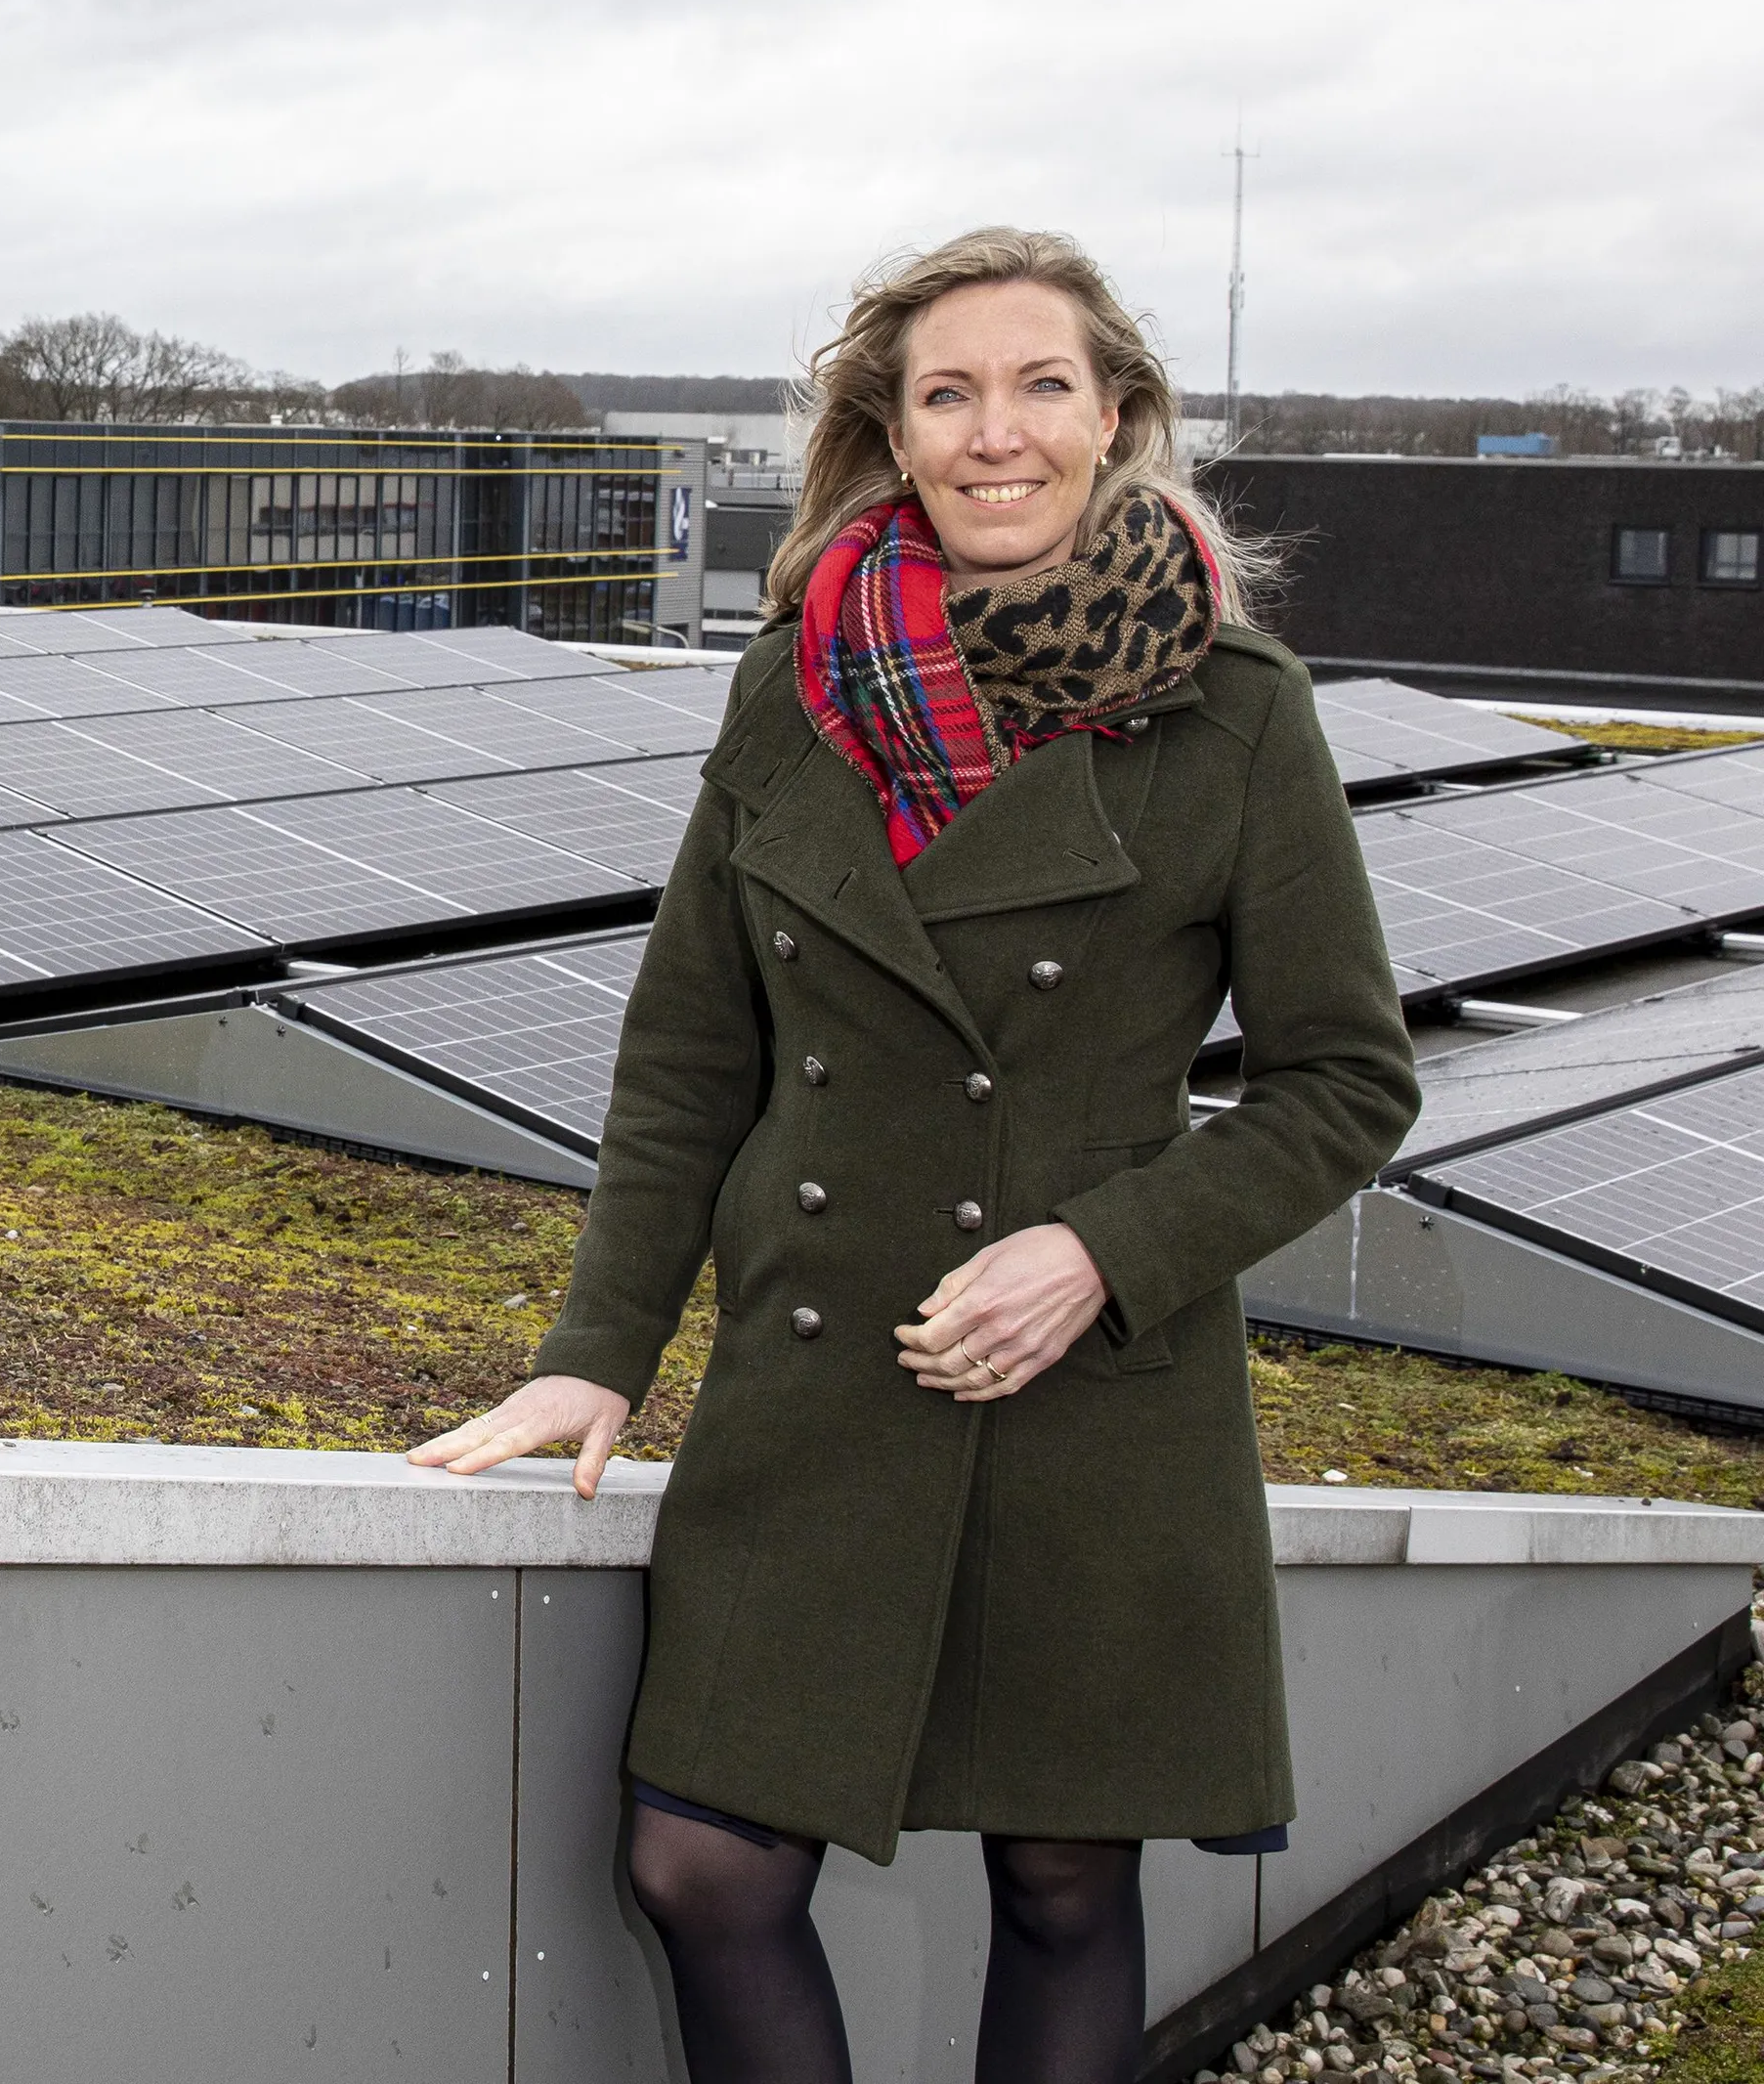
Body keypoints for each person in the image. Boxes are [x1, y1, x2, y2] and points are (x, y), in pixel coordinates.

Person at [412, 228, 1417, 2082]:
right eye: (948, 394)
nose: (994, 432)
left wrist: (1103, 1252)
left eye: (1041, 386)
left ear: (1115, 416)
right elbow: (692, 1058)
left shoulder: (1236, 709)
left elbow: (1347, 1082)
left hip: (1084, 1399)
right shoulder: (793, 683)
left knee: (1061, 1882)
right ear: (895, 431)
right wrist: (594, 1353)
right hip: (814, 1393)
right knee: (702, 1866)